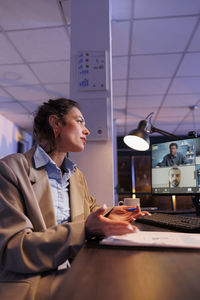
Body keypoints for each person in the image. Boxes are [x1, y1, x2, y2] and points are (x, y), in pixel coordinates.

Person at [0, 98, 146, 300]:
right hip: (32, 283)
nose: (86, 130)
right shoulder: (11, 170)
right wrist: (84, 229)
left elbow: (92, 211)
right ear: (56, 123)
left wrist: (114, 213)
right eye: (80, 121)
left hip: (72, 273)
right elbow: (14, 250)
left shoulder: (75, 175)